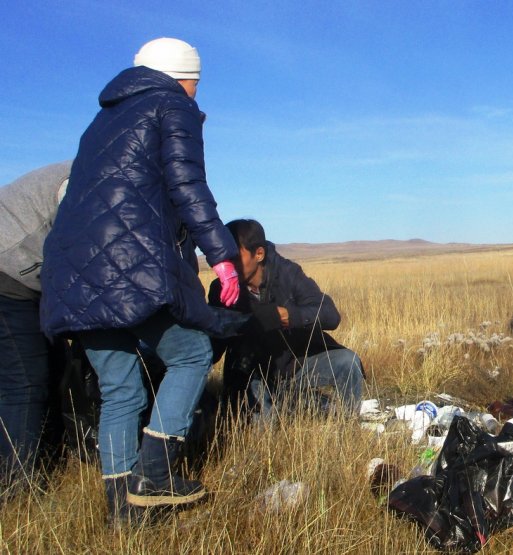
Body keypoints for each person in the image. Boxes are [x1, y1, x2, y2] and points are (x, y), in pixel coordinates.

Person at [40, 38, 243, 525]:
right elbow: (187, 185)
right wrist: (222, 255)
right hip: (129, 265)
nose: (196, 92)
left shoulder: (102, 120)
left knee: (121, 389)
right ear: (182, 76)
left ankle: (121, 509)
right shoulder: (171, 105)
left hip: (72, 274)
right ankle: (154, 474)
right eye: (196, 82)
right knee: (192, 354)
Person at [209, 219, 364, 418]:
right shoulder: (220, 289)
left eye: (234, 256)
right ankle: (291, 403)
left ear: (259, 254)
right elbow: (213, 344)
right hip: (253, 375)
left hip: (294, 366)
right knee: (264, 425)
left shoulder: (288, 274)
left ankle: (348, 420)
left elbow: (330, 315)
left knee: (347, 362)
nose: (228, 264)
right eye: (223, 257)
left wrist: (287, 316)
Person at [0, 161, 71, 496]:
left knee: (58, 369)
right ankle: (17, 486)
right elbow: (78, 251)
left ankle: (49, 460)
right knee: (25, 381)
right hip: (6, 275)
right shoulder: (80, 181)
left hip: (32, 283)